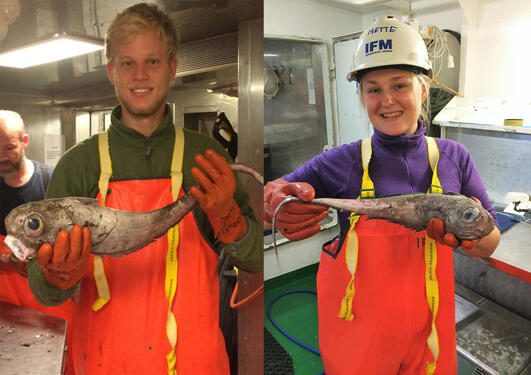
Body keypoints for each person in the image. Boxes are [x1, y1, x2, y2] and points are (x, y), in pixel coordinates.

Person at [25, 3, 262, 375]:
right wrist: (60, 273)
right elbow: (43, 289)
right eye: (127, 63)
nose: (140, 75)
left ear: (172, 67)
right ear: (111, 72)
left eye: (152, 61)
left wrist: (227, 217)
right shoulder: (78, 164)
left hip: (195, 363)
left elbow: (255, 260)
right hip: (105, 363)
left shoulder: (206, 156)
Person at [264, 15, 500, 375]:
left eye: (400, 85)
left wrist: (467, 240)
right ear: (361, 96)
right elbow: (273, 195)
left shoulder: (455, 158)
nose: (387, 100)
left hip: (429, 336)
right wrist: (271, 200)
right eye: (373, 88)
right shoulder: (340, 162)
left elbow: (491, 242)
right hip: (359, 339)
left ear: (424, 88)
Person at [0, 110, 76, 374]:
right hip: (9, 319)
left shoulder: (53, 181)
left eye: (9, 147)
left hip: (57, 311)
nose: (1, 156)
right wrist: (7, 262)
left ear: (25, 141)